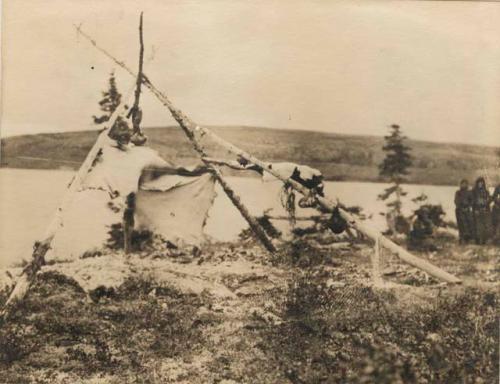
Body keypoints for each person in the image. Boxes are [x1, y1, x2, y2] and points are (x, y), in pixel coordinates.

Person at [471, 177, 491, 245]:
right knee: (477, 226)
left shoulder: (486, 192)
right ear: (477, 183)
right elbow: (472, 201)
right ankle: (477, 241)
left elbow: (488, 201)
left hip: (484, 211)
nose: (481, 184)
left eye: (482, 182)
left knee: (485, 226)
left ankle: (483, 240)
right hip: (477, 211)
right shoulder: (473, 191)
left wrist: (487, 206)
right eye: (479, 182)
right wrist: (475, 209)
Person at [454, 179, 474, 244]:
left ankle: (467, 239)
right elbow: (456, 201)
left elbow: (472, 201)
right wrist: (460, 206)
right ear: (460, 184)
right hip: (459, 211)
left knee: (468, 224)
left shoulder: (469, 192)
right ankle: (461, 238)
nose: (464, 185)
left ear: (467, 185)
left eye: (465, 184)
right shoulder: (458, 192)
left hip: (467, 210)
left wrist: (468, 205)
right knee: (460, 224)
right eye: (462, 183)